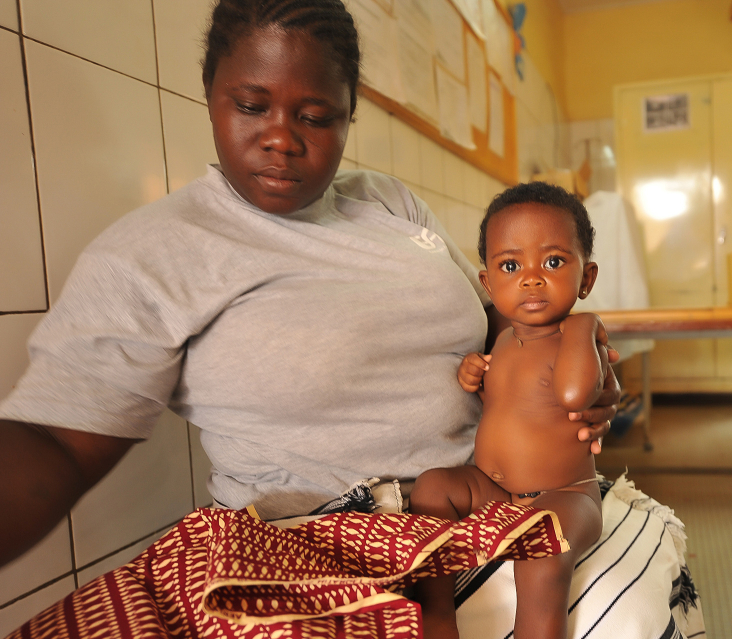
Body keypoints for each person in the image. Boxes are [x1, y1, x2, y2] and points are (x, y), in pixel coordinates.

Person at [0, 0, 619, 572]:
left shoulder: (387, 201)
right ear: (211, 93)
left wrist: (567, 365)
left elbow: (504, 318)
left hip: (488, 497)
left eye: (316, 117)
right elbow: (55, 442)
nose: (281, 138)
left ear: (349, 115)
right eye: (251, 106)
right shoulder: (156, 254)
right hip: (322, 545)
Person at [410, 183, 606, 639]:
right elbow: (511, 406)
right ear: (488, 281)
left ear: (587, 278)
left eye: (554, 262)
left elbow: (574, 395)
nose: (532, 279)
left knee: (542, 557)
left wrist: (585, 326)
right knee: (432, 488)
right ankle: (438, 616)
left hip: (566, 495)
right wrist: (475, 374)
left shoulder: (576, 339)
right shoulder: (502, 340)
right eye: (511, 266)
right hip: (495, 491)